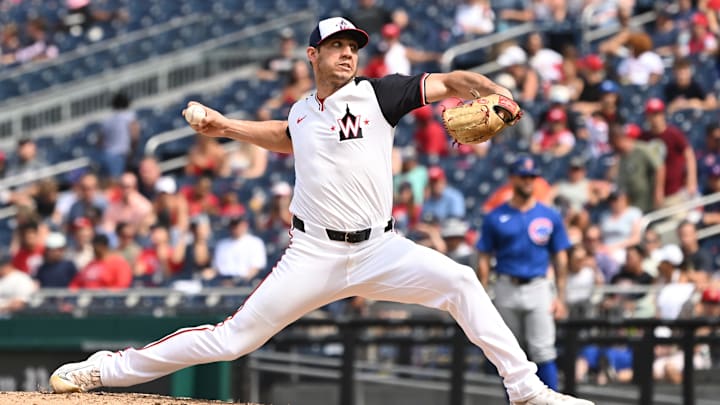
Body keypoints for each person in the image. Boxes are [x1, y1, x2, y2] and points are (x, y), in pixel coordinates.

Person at [49, 17, 593, 405]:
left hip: (381, 248)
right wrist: (226, 127)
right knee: (231, 340)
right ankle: (106, 371)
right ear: (313, 55)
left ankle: (526, 390)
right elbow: (289, 138)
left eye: (352, 45)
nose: (347, 53)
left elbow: (452, 82)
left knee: (462, 281)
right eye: (335, 45)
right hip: (313, 251)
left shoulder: (380, 95)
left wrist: (497, 90)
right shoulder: (302, 111)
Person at [477, 154, 572, 391]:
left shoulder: (549, 215)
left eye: (532, 176)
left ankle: (550, 401)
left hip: (539, 286)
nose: (528, 181)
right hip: (506, 285)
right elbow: (484, 257)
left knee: (544, 351)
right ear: (512, 179)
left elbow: (560, 257)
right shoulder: (495, 216)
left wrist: (561, 297)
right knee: (509, 356)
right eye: (523, 176)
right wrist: (484, 292)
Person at [98, 93, 140, 179]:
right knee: (116, 183)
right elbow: (135, 136)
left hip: (105, 155)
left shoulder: (107, 120)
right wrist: (132, 151)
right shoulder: (129, 116)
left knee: (107, 183)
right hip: (120, 156)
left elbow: (99, 141)